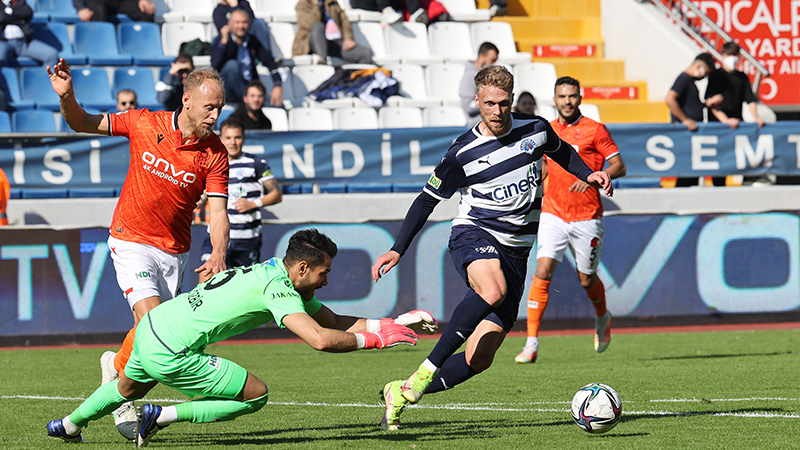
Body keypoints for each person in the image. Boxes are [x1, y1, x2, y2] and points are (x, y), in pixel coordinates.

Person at [373, 65, 613, 431]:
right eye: (489, 104)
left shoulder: (535, 129)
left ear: (511, 100)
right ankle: (424, 373)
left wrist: (588, 174)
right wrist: (398, 248)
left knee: (479, 357)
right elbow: (426, 200)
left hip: (517, 251)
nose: (497, 111)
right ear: (477, 101)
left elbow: (562, 152)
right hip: (475, 233)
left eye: (503, 103)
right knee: (492, 289)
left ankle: (400, 390)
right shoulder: (462, 152)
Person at [47, 229, 439, 446]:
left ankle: (67, 425)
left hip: (153, 327)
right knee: (257, 394)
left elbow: (333, 320)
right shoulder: (280, 290)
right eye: (323, 273)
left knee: (126, 388)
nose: (326, 280)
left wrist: (391, 323)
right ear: (302, 267)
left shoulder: (273, 271)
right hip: (172, 348)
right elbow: (320, 339)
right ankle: (159, 417)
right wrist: (378, 342)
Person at [48, 58, 231, 439]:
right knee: (149, 323)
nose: (215, 114)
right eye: (209, 107)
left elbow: (217, 212)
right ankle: (122, 402)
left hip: (174, 252)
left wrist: (218, 253)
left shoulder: (214, 153)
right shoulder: (144, 122)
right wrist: (67, 97)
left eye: (219, 107)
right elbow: (82, 122)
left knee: (155, 336)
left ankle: (114, 366)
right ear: (186, 101)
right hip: (130, 240)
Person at [515, 76, 626, 364]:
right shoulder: (547, 130)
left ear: (580, 98)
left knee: (586, 278)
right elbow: (543, 167)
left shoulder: (594, 129)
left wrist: (595, 179)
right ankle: (531, 342)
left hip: (587, 215)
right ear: (554, 100)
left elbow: (619, 165)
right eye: (562, 96)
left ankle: (603, 317)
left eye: (572, 96)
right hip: (553, 212)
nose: (567, 101)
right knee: (542, 271)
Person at [198, 117, 281, 283]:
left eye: (237, 137)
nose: (233, 142)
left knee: (245, 289)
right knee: (206, 282)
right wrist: (198, 200)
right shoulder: (212, 163)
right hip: (217, 235)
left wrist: (253, 203)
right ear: (220, 138)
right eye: (228, 138)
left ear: (243, 138)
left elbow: (276, 194)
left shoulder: (256, 164)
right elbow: (206, 191)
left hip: (247, 238)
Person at [211, 8, 283, 108]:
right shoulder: (222, 40)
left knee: (278, 105)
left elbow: (269, 62)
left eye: (244, 22)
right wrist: (223, 42)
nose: (241, 26)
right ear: (229, 23)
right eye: (237, 22)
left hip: (249, 87)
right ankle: (253, 102)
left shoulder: (252, 40)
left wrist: (277, 84)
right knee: (232, 66)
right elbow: (214, 65)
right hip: (227, 91)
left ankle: (255, 100)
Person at [706, 42, 766, 129]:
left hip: (737, 123)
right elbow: (711, 103)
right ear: (723, 56)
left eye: (735, 55)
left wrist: (756, 118)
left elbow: (750, 100)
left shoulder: (742, 77)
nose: (732, 58)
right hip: (717, 125)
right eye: (729, 55)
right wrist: (726, 120)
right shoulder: (715, 75)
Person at [293, 0, 373, 65]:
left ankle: (358, 81)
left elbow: (344, 20)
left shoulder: (331, 2)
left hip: (336, 43)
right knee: (318, 26)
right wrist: (316, 4)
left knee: (365, 54)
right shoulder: (302, 5)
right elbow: (310, 24)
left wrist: (348, 38)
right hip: (314, 42)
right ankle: (322, 60)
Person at [665, 53, 720, 131]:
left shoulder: (690, 81)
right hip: (684, 131)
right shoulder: (683, 79)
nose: (704, 77)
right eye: (706, 73)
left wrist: (706, 104)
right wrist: (685, 120)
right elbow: (669, 99)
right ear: (699, 67)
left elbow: (690, 104)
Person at [0, 0, 58, 68]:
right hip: (3, 43)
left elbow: (28, 13)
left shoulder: (17, 1)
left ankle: (46, 78)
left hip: (24, 43)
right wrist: (17, 17)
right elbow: (1, 18)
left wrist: (10, 13)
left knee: (51, 55)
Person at [459, 42, 498, 127]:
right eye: (492, 60)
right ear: (481, 57)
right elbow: (468, 107)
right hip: (476, 128)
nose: (494, 64)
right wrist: (490, 103)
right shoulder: (469, 77)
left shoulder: (487, 76)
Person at [73, 0, 155, 22]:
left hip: (122, 2)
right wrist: (81, 7)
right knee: (99, 12)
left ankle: (141, 48)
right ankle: (102, 49)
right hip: (99, 2)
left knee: (146, 12)